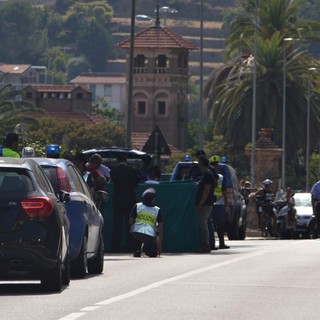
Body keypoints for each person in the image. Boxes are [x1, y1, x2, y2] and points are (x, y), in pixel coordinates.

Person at [110, 155, 139, 252]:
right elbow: (136, 185)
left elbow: (112, 182)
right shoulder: (132, 171)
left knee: (117, 225)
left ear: (118, 161)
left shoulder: (113, 171)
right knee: (130, 224)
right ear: (126, 161)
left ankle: (115, 247)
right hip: (130, 200)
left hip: (118, 200)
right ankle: (129, 247)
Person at [129, 188, 163, 257]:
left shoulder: (137, 206)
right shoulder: (157, 210)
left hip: (137, 232)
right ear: (153, 199)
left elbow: (131, 221)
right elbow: (160, 229)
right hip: (150, 235)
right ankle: (146, 250)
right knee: (153, 254)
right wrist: (159, 246)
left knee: (135, 232)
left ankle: (137, 249)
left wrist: (134, 229)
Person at [208, 155, 230, 250]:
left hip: (218, 204)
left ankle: (221, 243)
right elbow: (224, 192)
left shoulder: (220, 177)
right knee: (213, 224)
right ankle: (213, 243)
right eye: (215, 165)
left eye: (216, 165)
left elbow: (224, 192)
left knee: (218, 225)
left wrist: (227, 205)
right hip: (214, 204)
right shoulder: (217, 177)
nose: (216, 167)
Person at [196, 156, 216, 253]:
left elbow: (206, 191)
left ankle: (206, 244)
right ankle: (204, 243)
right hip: (205, 203)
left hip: (206, 203)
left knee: (202, 223)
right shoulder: (205, 174)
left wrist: (201, 203)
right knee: (202, 223)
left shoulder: (208, 175)